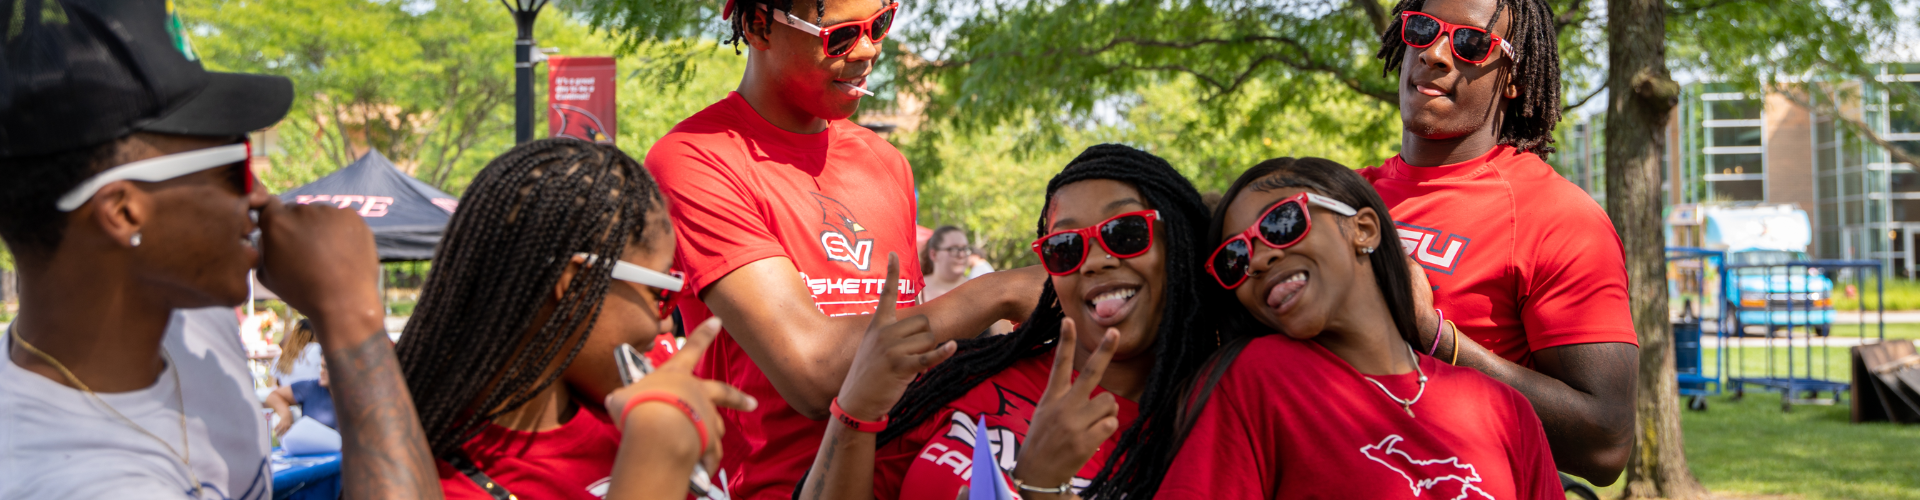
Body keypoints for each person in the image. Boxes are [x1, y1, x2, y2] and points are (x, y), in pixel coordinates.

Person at [0, 1, 441, 498]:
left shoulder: (191, 316)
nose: (261, 197)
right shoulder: (76, 481)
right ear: (123, 212)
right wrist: (350, 314)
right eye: (237, 166)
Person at [644, 0, 1043, 497]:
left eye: (880, 25)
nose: (869, 49)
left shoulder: (885, 161)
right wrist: (995, 293)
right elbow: (813, 372)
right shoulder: (697, 159)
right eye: (840, 36)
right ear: (759, 26)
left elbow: (910, 344)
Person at [799, 145, 1223, 500]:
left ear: (1180, 248)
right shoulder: (970, 377)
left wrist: (1041, 487)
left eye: (1126, 232)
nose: (1094, 260)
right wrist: (854, 410)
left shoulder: (1209, 426)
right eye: (1065, 246)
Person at [1152, 158, 1561, 499]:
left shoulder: (1506, 411)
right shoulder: (1251, 380)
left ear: (1363, 228)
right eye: (1234, 258)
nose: (1256, 261)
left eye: (1280, 224)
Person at [1365, 0, 1638, 483]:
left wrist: (1433, 335)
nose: (1436, 53)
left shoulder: (1559, 219)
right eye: (1424, 29)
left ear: (1512, 78)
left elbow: (1606, 442)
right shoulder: (1346, 198)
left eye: (1471, 43)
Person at [396, 139, 756, 500]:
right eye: (661, 294)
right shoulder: (442, 486)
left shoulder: (644, 391)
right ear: (575, 287)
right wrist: (655, 458)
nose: (665, 325)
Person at [267, 365, 337, 435]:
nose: (321, 371)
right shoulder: (311, 387)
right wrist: (286, 414)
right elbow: (273, 396)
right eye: (321, 366)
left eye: (326, 367)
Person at [918, 226, 972, 303]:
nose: (961, 255)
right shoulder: (916, 290)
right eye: (953, 249)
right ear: (934, 254)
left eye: (965, 249)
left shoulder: (978, 289)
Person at [274, 318, 326, 386]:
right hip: (312, 394)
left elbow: (278, 383)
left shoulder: (283, 356)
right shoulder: (317, 349)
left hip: (287, 394)